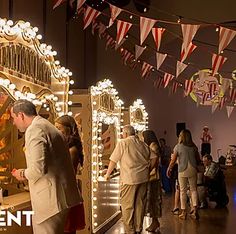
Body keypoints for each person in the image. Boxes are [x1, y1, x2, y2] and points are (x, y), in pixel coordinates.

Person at [11, 99, 82, 234]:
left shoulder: (35, 130)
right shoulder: (48, 126)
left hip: (50, 201)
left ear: (21, 115)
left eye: (13, 118)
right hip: (61, 197)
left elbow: (38, 169)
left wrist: (21, 174)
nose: (14, 122)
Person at [104, 125, 157, 234]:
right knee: (139, 204)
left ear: (126, 134)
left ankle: (130, 230)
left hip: (129, 179)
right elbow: (154, 157)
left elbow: (113, 160)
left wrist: (107, 174)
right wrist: (148, 169)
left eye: (123, 133)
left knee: (127, 205)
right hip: (143, 178)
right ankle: (138, 228)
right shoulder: (143, 144)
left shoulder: (123, 143)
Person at [55, 115, 85, 234]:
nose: (56, 130)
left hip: (67, 190)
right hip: (64, 189)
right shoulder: (64, 145)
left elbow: (67, 170)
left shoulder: (72, 149)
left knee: (68, 227)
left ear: (68, 129)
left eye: (59, 128)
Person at [167, 129, 200, 220]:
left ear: (181, 137)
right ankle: (194, 210)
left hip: (182, 170)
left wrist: (169, 168)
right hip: (193, 169)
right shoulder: (194, 147)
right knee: (194, 190)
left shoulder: (178, 146)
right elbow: (198, 159)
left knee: (182, 191)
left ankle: (184, 212)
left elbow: (173, 160)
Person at [142, 130, 162, 232]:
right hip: (154, 176)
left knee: (153, 199)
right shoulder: (154, 145)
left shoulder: (153, 146)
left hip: (152, 176)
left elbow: (154, 159)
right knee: (152, 199)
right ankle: (154, 221)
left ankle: (155, 222)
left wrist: (148, 168)